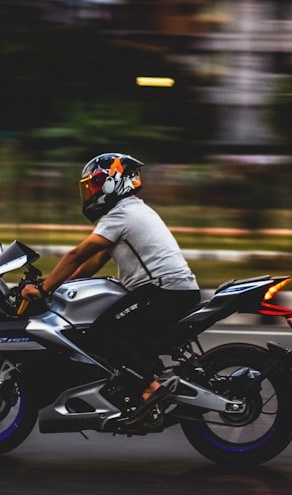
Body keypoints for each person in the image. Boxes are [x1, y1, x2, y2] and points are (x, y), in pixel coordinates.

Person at [21, 153, 200, 424]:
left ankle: (152, 389)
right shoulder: (131, 211)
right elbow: (94, 262)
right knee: (124, 332)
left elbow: (77, 254)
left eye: (94, 185)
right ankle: (140, 385)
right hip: (171, 291)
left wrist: (44, 288)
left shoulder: (121, 213)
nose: (90, 193)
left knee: (103, 333)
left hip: (163, 292)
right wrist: (61, 287)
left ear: (113, 183)